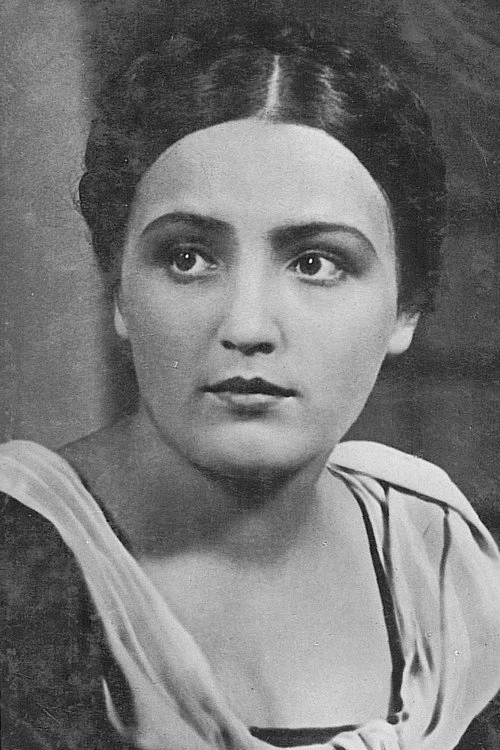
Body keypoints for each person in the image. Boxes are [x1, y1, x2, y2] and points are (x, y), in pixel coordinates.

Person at [1, 17, 499, 750]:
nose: (247, 326)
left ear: (406, 310)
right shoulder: (18, 564)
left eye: (316, 263)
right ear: (119, 293)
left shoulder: (436, 552)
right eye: (188, 258)